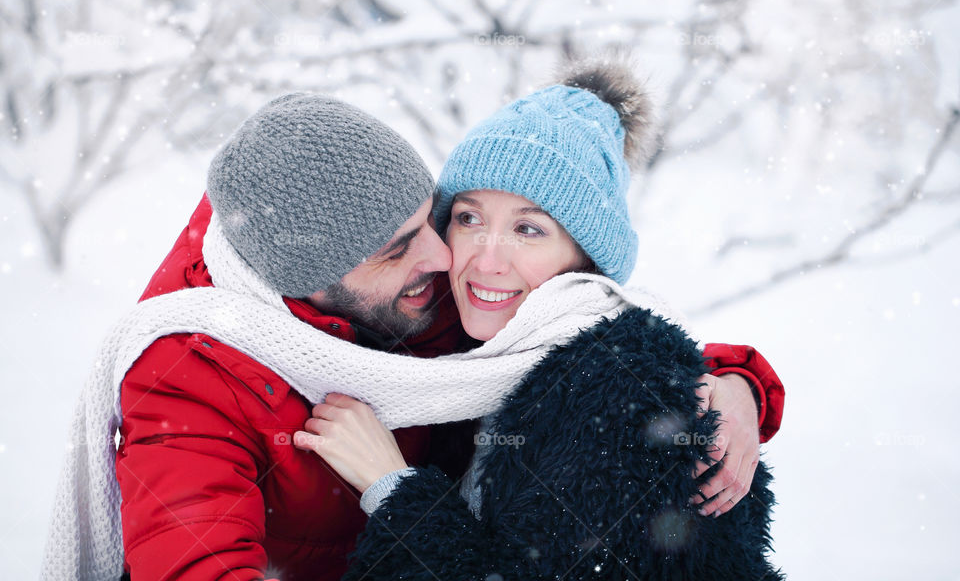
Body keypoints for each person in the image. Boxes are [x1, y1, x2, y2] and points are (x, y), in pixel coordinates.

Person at [41, 91, 782, 581]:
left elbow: (594, 354)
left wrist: (738, 385)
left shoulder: (432, 297)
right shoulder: (188, 377)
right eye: (399, 247)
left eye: (433, 216)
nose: (445, 259)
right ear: (313, 284)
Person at [296, 58, 785, 579]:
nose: (487, 259)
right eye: (469, 219)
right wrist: (744, 378)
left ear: (586, 258)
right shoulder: (473, 355)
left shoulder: (619, 395)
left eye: (528, 230)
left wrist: (392, 486)